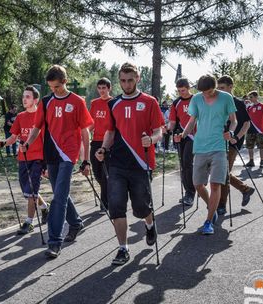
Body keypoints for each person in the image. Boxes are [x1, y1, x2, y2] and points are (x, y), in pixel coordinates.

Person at [94, 62, 164, 265]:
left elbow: (159, 131)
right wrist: (103, 149)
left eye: (130, 80)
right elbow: (110, 131)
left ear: (138, 78)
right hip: (117, 163)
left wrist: (151, 140)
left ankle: (150, 225)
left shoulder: (149, 101)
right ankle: (123, 249)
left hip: (141, 163)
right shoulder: (113, 103)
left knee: (141, 207)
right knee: (116, 206)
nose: (126, 84)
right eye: (123, 81)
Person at [23, 64, 93, 258]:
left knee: (58, 198)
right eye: (51, 87)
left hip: (68, 154)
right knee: (60, 192)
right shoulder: (46, 102)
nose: (54, 91)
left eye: (57, 87)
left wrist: (86, 159)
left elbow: (85, 132)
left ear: (65, 81)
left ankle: (54, 241)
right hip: (51, 153)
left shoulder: (77, 101)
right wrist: (28, 143)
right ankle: (76, 223)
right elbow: (37, 127)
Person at [181, 74, 237, 235]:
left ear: (215, 87)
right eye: (203, 92)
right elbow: (192, 121)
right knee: (197, 184)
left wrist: (231, 133)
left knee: (215, 184)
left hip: (219, 146)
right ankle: (211, 205)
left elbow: (234, 120)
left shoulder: (226, 98)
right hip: (200, 146)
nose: (206, 94)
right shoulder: (197, 99)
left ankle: (208, 220)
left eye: (209, 91)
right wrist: (183, 135)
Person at [0, 86, 50, 235]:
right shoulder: (20, 116)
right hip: (23, 159)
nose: (24, 99)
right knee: (28, 191)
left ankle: (29, 222)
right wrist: (3, 143)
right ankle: (45, 207)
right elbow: (13, 137)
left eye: (28, 97)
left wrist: (47, 162)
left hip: (38, 158)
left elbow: (47, 140)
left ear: (36, 100)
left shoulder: (43, 116)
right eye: (23, 96)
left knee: (31, 190)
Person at [216, 76, 255, 215]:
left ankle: (222, 204)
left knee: (223, 173)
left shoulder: (238, 103)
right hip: (217, 142)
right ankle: (245, 189)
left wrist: (237, 137)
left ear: (231, 87)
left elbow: (246, 123)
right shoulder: (217, 102)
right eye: (218, 88)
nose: (220, 91)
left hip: (233, 143)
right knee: (221, 172)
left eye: (222, 88)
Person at [169, 78, 196, 206]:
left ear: (189, 87)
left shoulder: (197, 99)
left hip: (197, 136)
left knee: (187, 163)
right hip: (182, 136)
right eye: (179, 91)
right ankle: (189, 192)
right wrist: (167, 129)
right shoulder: (176, 102)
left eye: (183, 90)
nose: (181, 93)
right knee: (184, 164)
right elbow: (173, 122)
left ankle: (191, 191)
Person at [89, 77, 112, 214]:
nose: (102, 90)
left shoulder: (114, 102)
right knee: (97, 172)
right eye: (100, 88)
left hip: (108, 142)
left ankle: (105, 203)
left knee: (104, 174)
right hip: (96, 141)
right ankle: (110, 190)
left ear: (109, 88)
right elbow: (92, 122)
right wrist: (84, 133)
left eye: (104, 88)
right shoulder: (94, 103)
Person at [245, 91, 263, 168]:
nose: (250, 99)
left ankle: (262, 161)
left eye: (251, 97)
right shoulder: (249, 107)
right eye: (249, 97)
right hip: (250, 130)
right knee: (250, 146)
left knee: (261, 146)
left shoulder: (262, 106)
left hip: (260, 130)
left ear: (256, 97)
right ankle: (251, 161)